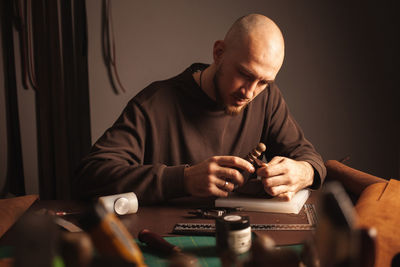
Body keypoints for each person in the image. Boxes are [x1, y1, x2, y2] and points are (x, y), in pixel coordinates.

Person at [74, 14, 326, 204]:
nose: (250, 92)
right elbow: (91, 175)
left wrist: (303, 172)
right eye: (244, 74)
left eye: (263, 82)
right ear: (219, 53)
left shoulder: (267, 98)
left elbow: (308, 156)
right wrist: (182, 179)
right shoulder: (154, 103)